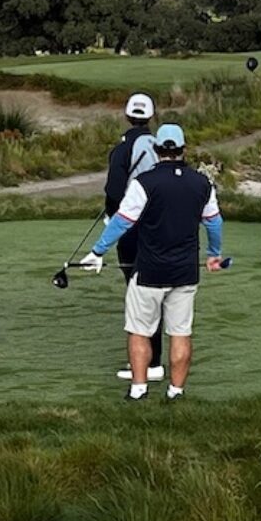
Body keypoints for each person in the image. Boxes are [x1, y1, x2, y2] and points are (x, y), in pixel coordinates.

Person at [82, 124, 224, 402]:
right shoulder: (201, 183)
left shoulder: (144, 182)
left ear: (157, 150)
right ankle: (176, 391)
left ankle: (139, 389)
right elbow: (214, 222)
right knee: (180, 333)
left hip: (149, 270)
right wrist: (214, 253)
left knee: (139, 331)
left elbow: (122, 221)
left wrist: (98, 251)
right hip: (185, 273)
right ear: (183, 150)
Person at [103, 92, 164, 381]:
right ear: (151, 117)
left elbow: (114, 192)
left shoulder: (122, 149)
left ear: (127, 116)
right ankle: (156, 359)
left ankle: (146, 363)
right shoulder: (163, 145)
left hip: (131, 227)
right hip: (159, 226)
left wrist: (111, 217)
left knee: (138, 292)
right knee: (155, 289)